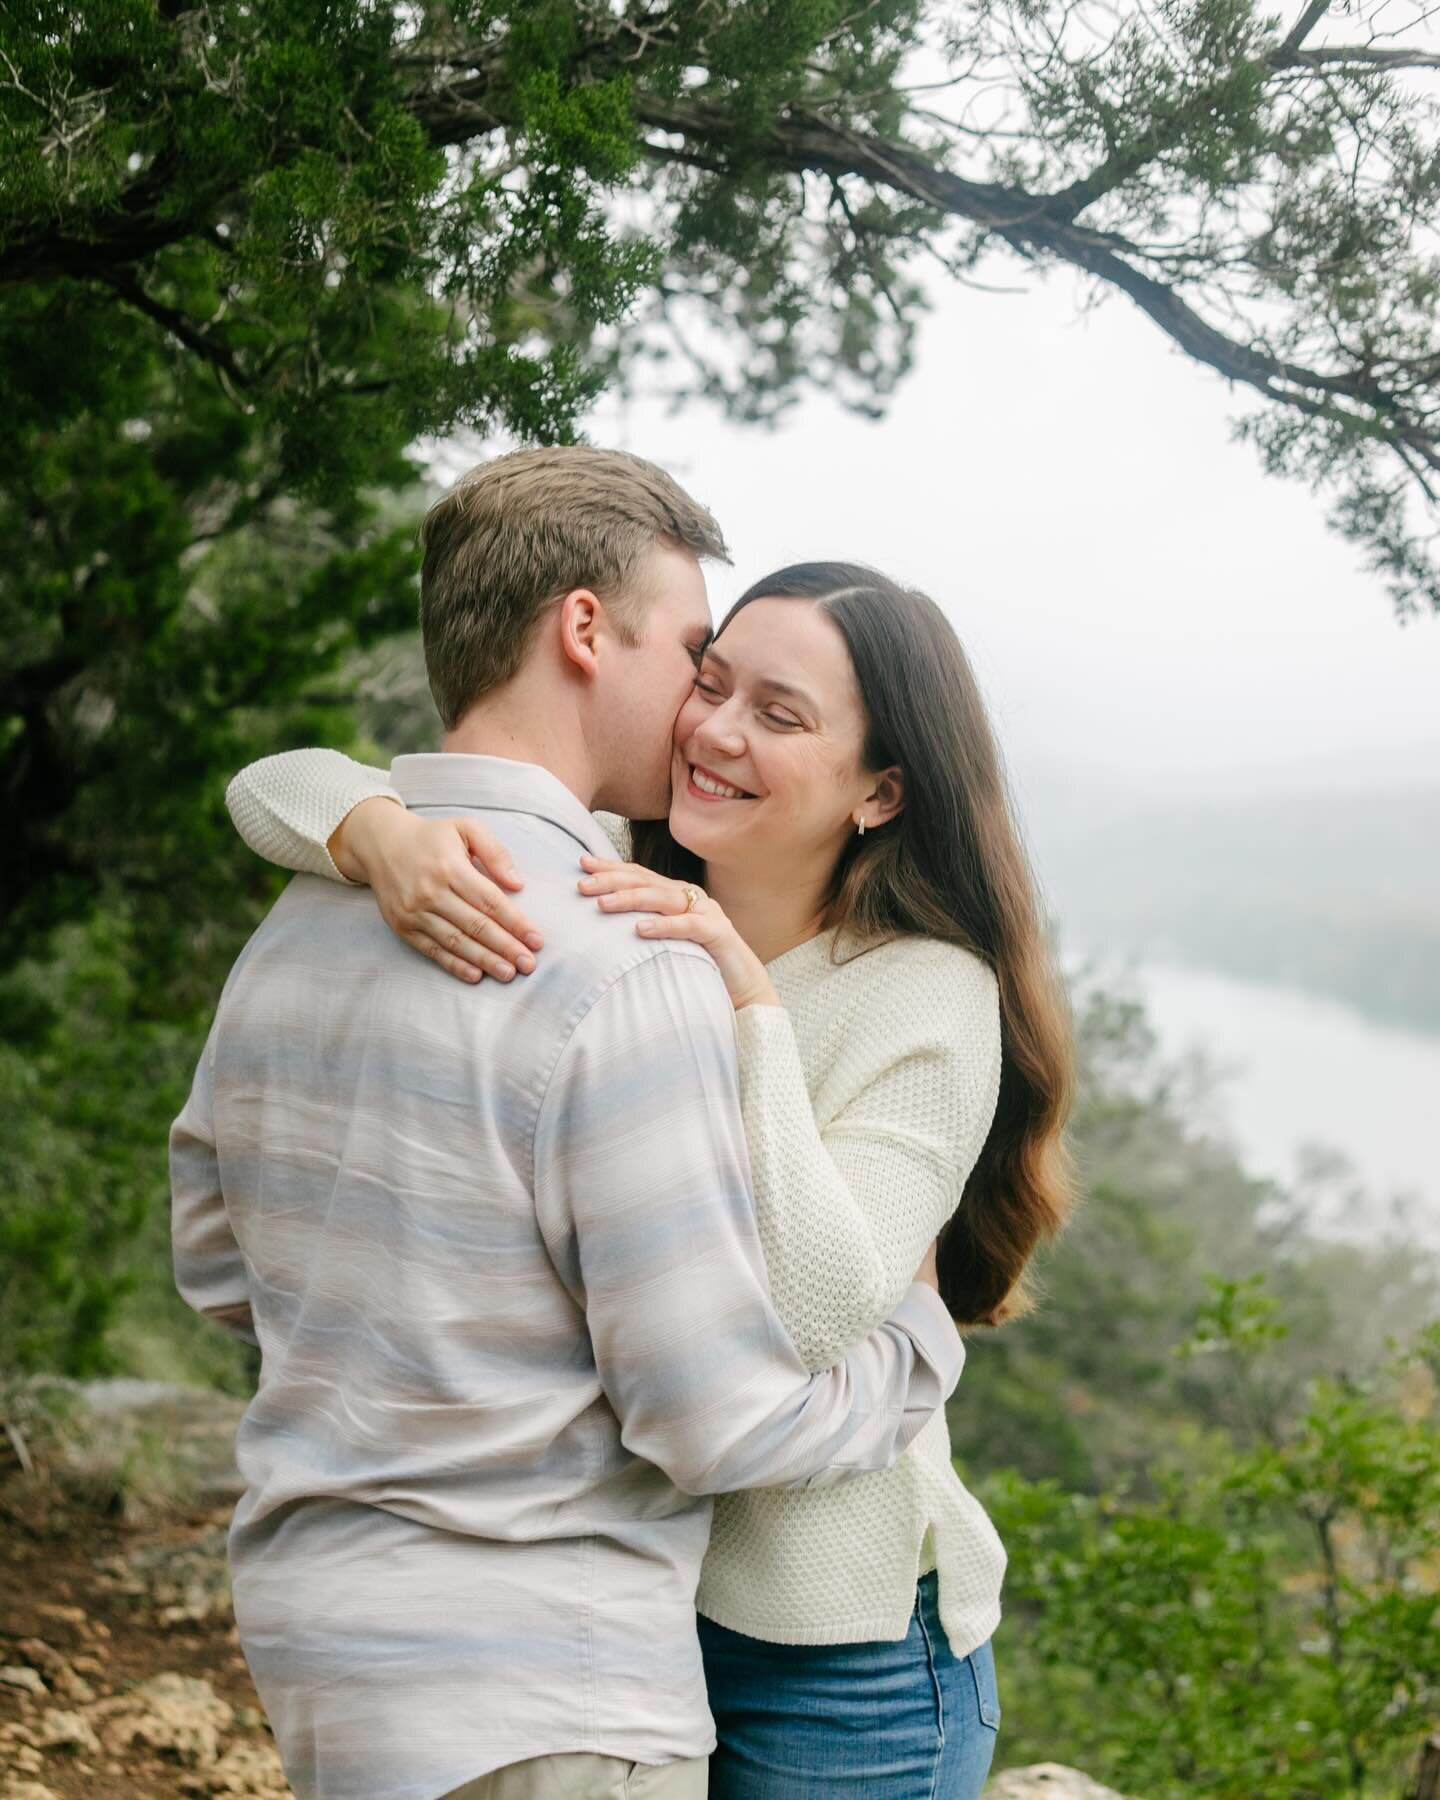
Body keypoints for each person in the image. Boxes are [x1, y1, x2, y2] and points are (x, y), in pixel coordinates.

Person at [171, 449, 970, 1800]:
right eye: (698, 658)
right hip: (547, 1689)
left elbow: (212, 1260)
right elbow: (709, 1418)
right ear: (586, 631)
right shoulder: (626, 961)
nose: (700, 714)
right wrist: (912, 1351)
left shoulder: (297, 926)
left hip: (326, 1650)